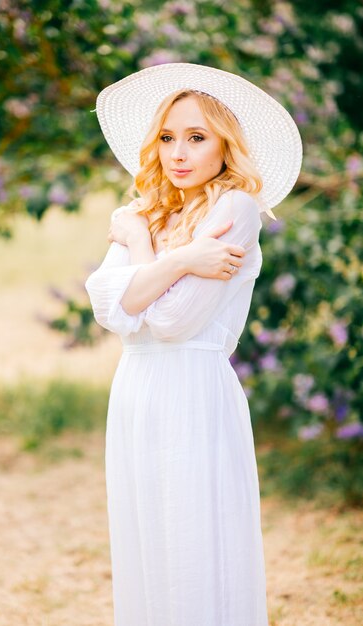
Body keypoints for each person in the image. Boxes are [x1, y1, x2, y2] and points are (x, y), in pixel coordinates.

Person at [85, 63, 302, 626]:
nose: (178, 152)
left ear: (224, 148)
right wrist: (177, 257)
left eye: (197, 137)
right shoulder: (145, 214)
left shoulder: (236, 210)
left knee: (193, 541)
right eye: (167, 137)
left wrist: (146, 264)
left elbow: (171, 321)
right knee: (145, 537)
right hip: (136, 391)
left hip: (192, 389)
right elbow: (109, 306)